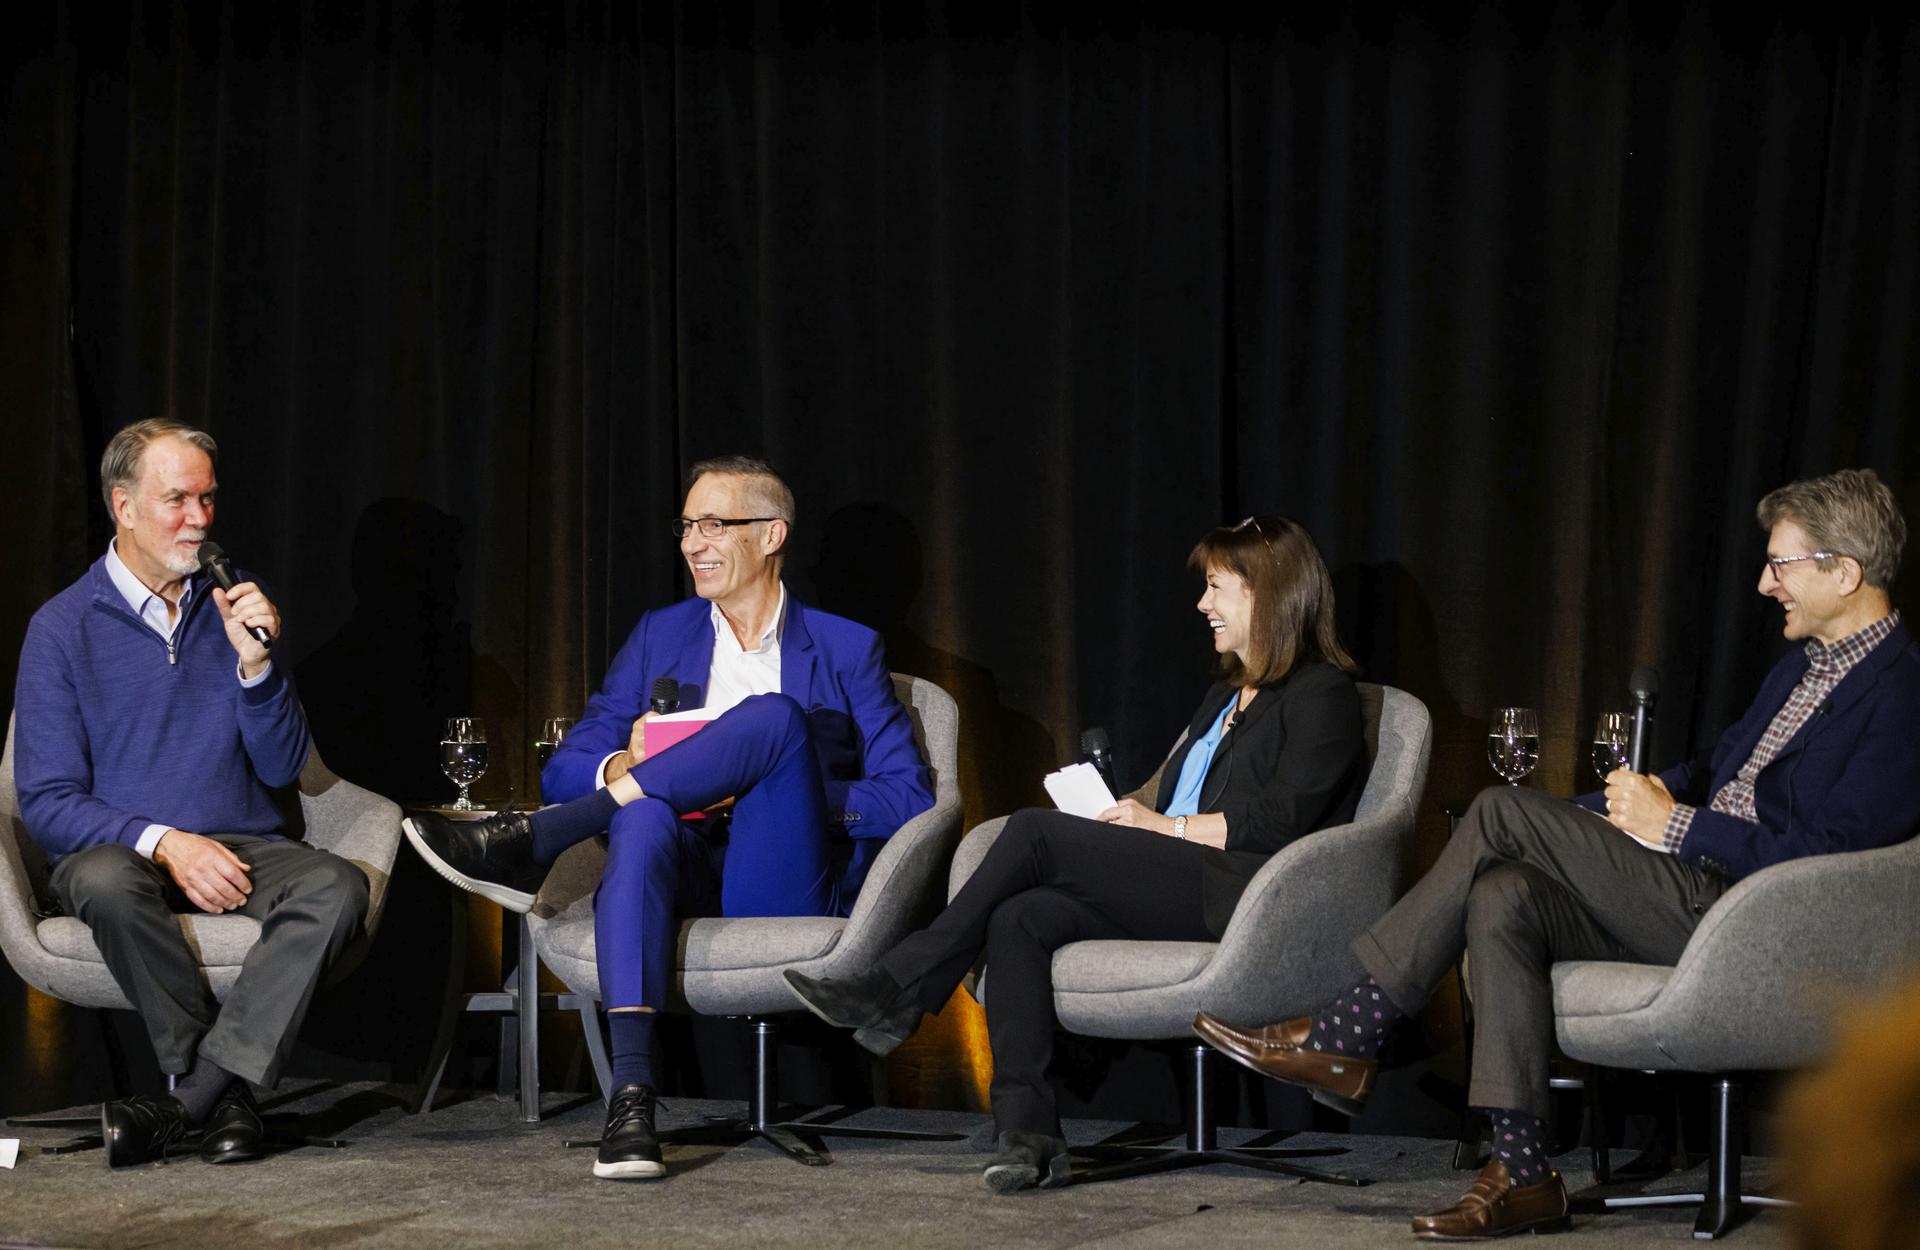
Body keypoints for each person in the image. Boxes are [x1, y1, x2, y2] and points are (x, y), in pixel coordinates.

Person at [1193, 468, 1920, 1241]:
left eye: (1782, 564)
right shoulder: (1798, 673)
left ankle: (1354, 1025)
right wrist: (1589, 815)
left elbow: (1829, 854)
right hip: (1687, 890)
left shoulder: (1901, 695)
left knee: (1501, 810)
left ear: (1844, 572)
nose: (1765, 583)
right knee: (1503, 891)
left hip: (1754, 918)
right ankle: (1524, 1171)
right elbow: (1713, 774)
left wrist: (1674, 827)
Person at [783, 514, 1369, 1192]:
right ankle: (1027, 1130)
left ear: (1269, 592)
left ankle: (899, 987)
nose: (1202, 604)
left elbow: (1281, 820)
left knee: (1033, 833)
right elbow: (1170, 795)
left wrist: (1161, 830)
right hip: (1180, 879)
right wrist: (1122, 818)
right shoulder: (1221, 696)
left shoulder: (1323, 693)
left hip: (1249, 894)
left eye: (1216, 587)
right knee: (1020, 917)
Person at [403, 455, 934, 1181]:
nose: (692, 544)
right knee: (644, 818)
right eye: (687, 526)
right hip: (676, 864)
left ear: (772, 534)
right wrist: (619, 772)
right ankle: (631, 1099)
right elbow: (568, 761)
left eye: (714, 524)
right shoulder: (661, 633)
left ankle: (539, 840)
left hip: (777, 874)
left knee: (774, 722)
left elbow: (909, 797)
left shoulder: (845, 647)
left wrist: (786, 787)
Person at [13, 419, 370, 1168]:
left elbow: (281, 769)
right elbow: (45, 800)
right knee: (105, 879)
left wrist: (256, 670)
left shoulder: (232, 605)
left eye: (207, 499)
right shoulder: (61, 630)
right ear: (124, 506)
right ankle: (226, 1094)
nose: (201, 520)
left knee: (336, 885)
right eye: (177, 499)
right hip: (119, 850)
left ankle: (190, 1099)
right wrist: (166, 842)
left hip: (243, 844)